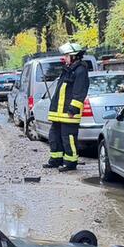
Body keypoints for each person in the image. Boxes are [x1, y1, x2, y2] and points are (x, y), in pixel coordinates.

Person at [45, 42, 90, 172]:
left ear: (74, 56)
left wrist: (73, 109)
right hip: (59, 113)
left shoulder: (80, 71)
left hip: (69, 113)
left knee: (68, 138)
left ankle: (70, 163)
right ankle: (56, 160)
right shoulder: (68, 70)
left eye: (66, 55)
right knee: (54, 136)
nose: (64, 58)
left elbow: (79, 92)